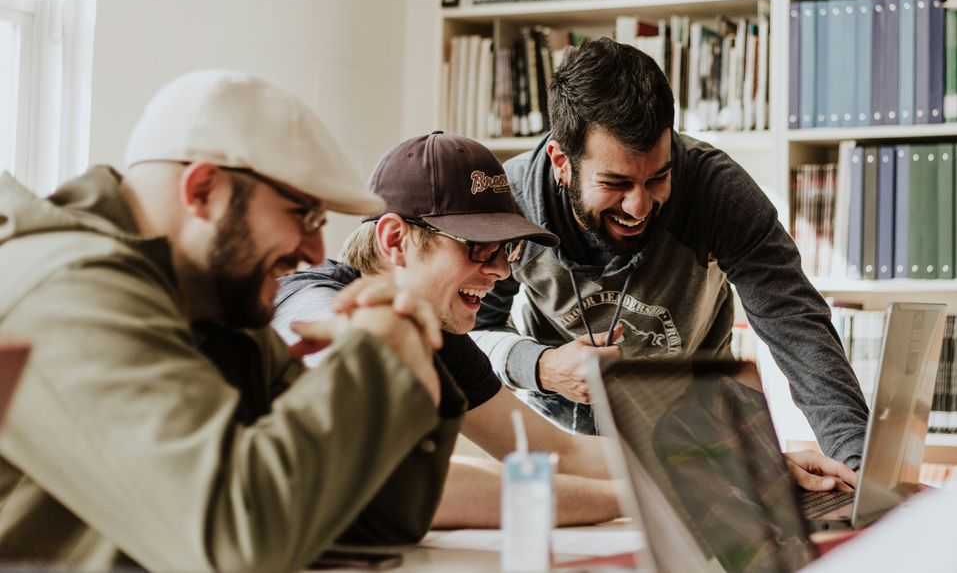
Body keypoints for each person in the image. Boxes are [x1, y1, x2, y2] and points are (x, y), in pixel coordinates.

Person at [0, 70, 464, 571]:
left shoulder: (214, 302)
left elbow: (372, 522)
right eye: (303, 214)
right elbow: (235, 543)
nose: (314, 252)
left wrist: (409, 355)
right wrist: (376, 359)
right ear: (203, 191)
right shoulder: (70, 291)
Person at [472, 37, 868, 484]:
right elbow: (472, 334)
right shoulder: (511, 201)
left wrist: (859, 469)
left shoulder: (716, 189)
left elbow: (796, 323)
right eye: (616, 183)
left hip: (699, 433)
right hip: (566, 443)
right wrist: (540, 366)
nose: (639, 206)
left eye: (658, 177)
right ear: (561, 161)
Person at [273, 131, 623, 528]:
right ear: (395, 240)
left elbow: (554, 452)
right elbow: (400, 482)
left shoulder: (438, 334)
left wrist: (681, 469)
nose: (502, 271)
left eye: (506, 249)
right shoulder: (312, 307)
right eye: (478, 246)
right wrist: (632, 499)